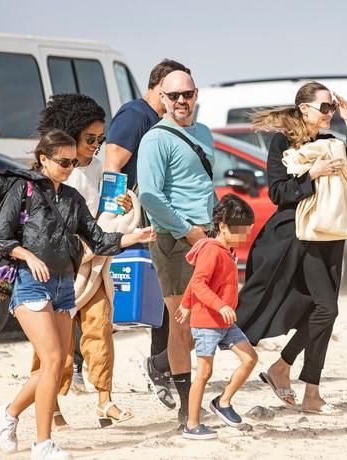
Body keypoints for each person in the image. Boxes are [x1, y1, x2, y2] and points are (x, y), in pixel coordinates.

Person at [0, 129, 155, 460]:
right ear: (43, 159)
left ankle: (8, 413)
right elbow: (2, 238)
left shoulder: (71, 198)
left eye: (73, 161)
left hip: (65, 286)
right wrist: (30, 256)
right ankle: (43, 443)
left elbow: (98, 239)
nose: (69, 167)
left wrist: (134, 237)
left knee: (54, 364)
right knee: (53, 359)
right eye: (63, 161)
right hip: (30, 283)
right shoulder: (21, 190)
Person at [236, 81, 347, 415]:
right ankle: (283, 365)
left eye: (331, 108)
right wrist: (313, 174)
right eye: (325, 108)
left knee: (322, 313)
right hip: (298, 235)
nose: (329, 114)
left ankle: (311, 394)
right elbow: (278, 193)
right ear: (304, 108)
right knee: (327, 308)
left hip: (329, 233)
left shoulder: (330, 141)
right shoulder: (282, 141)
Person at [31, 94, 133, 429]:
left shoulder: (99, 167)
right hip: (61, 268)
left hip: (94, 264)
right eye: (90, 139)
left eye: (101, 139)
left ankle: (105, 400)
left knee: (100, 327)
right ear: (71, 133)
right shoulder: (60, 172)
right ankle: (52, 403)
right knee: (54, 343)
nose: (96, 146)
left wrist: (122, 207)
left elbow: (101, 212)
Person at [104, 59, 191, 410]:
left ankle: (160, 365)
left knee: (167, 298)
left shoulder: (162, 121)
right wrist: (116, 212)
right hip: (134, 219)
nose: (181, 98)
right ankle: (82, 367)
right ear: (159, 86)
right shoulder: (136, 114)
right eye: (174, 91)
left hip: (159, 220)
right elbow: (112, 162)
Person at [137, 69, 216, 424]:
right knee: (181, 324)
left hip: (205, 237)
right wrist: (189, 231)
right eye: (174, 96)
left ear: (196, 93)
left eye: (187, 94)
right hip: (174, 240)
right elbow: (151, 196)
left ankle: (166, 371)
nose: (181, 101)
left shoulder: (203, 133)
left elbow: (200, 185)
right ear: (162, 99)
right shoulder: (155, 140)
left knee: (204, 323)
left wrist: (210, 232)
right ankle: (187, 409)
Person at [175, 194, 258, 440]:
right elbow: (199, 282)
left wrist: (186, 303)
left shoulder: (226, 250)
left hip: (225, 323)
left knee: (250, 358)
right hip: (207, 322)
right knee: (204, 372)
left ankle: (223, 401)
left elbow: (195, 282)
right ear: (223, 227)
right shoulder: (212, 251)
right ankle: (191, 424)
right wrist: (217, 305)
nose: (245, 237)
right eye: (241, 232)